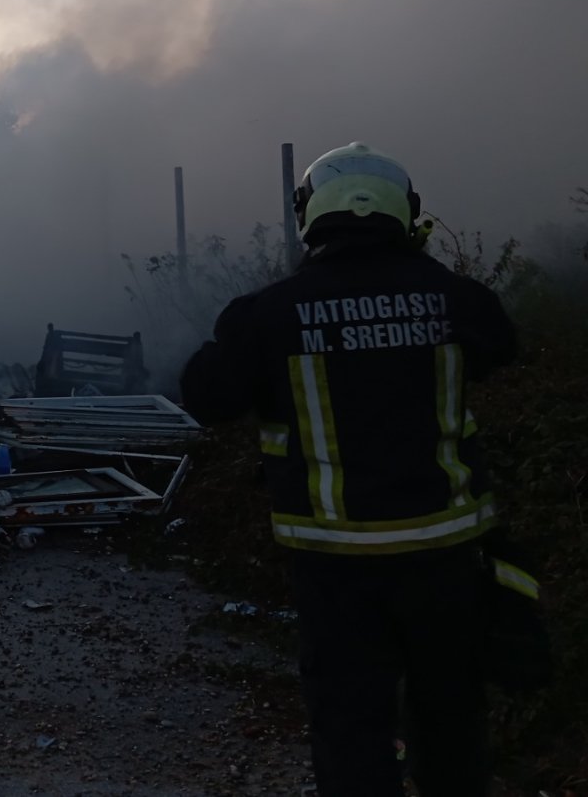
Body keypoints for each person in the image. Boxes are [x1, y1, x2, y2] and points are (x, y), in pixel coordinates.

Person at [179, 142, 539, 796]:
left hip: (337, 569)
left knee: (351, 732)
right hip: (447, 558)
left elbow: (205, 396)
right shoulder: (460, 300)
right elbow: (500, 351)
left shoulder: (271, 314)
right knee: (452, 725)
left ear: (310, 214)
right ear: (405, 211)